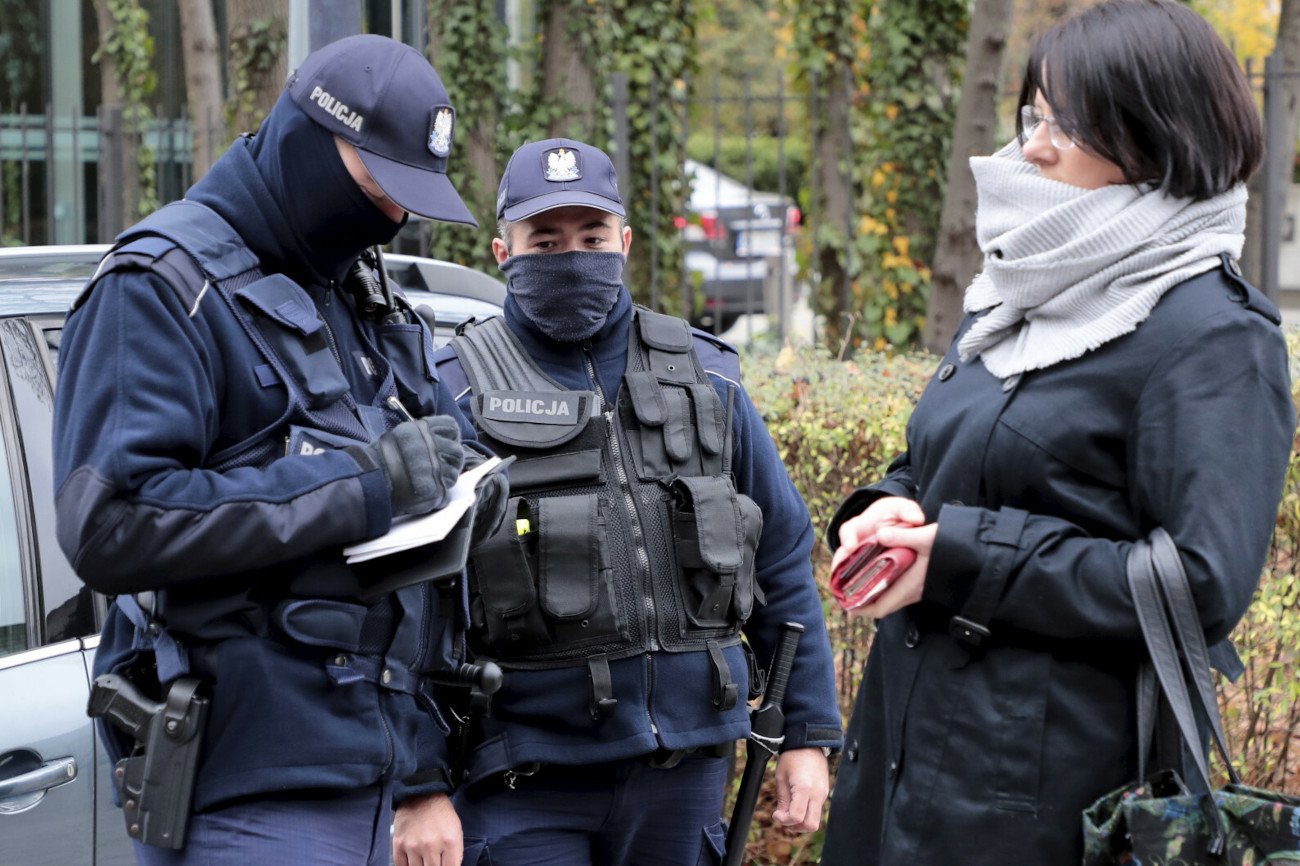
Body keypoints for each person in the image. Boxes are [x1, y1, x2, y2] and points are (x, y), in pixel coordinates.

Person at [819, 2, 1297, 864]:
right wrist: (887, 507)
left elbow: (1199, 583)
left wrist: (960, 556)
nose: (1035, 145)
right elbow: (946, 461)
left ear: (1156, 132)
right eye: (1035, 115)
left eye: (1068, 123)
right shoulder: (1021, 289)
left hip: (1050, 796)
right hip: (902, 751)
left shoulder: (1214, 333)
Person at [53, 34, 505, 866]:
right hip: (247, 793)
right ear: (311, 140)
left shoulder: (361, 291)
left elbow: (425, 464)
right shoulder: (160, 287)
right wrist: (364, 484)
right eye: (378, 189)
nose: (395, 217)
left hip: (377, 778)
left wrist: (464, 489)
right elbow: (111, 524)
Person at [391, 138, 843, 865]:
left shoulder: (707, 377)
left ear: (624, 242)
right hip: (520, 781)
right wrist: (416, 782)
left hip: (684, 774)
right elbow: (404, 603)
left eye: (591, 236)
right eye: (545, 239)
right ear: (503, 252)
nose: (571, 255)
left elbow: (783, 554)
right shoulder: (453, 393)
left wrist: (810, 735)